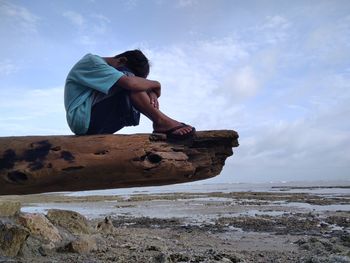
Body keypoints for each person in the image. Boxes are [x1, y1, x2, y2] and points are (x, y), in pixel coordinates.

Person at [64, 50, 195, 139]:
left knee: (134, 84)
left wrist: (148, 90)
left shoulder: (104, 70)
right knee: (129, 80)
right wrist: (155, 84)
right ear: (121, 61)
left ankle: (160, 122)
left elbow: (134, 84)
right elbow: (130, 83)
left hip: (97, 124)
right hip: (83, 121)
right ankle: (161, 122)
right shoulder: (92, 61)